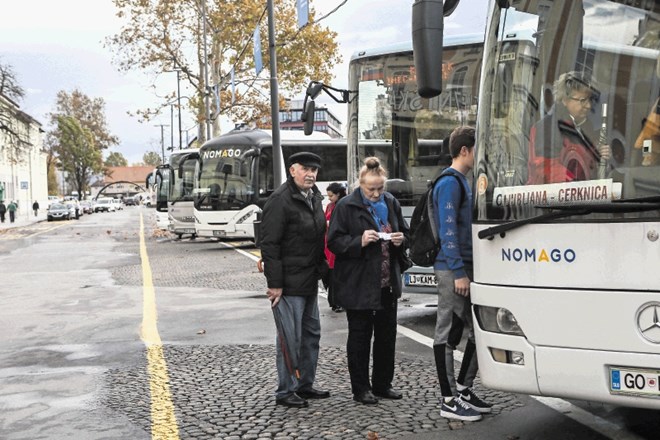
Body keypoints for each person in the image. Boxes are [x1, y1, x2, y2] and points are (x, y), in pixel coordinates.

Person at [327, 157, 410, 405]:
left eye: (380, 189)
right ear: (360, 185)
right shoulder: (346, 206)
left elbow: (406, 231)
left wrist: (400, 239)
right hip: (358, 283)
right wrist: (359, 241)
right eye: (370, 189)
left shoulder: (391, 202)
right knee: (360, 338)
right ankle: (361, 389)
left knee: (387, 336)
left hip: (387, 282)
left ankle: (383, 384)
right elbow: (333, 242)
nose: (375, 194)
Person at [259, 151, 330, 408]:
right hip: (288, 284)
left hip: (309, 280)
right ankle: (285, 391)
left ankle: (305, 385)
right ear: (292, 170)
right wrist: (275, 284)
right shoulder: (280, 200)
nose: (311, 174)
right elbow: (270, 244)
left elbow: (315, 239)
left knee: (311, 335)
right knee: (290, 339)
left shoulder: (314, 197)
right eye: (306, 169)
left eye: (314, 170)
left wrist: (325, 272)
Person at [432, 126, 492, 422]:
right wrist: (458, 272)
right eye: (477, 148)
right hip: (451, 268)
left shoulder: (464, 182)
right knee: (448, 332)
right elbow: (447, 230)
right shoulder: (450, 183)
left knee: (476, 330)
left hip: (465, 266)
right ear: (465, 150)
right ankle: (448, 400)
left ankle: (464, 389)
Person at [527, 71, 611, 184]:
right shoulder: (547, 127)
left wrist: (599, 156)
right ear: (565, 100)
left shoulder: (585, 128)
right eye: (582, 100)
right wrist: (577, 184)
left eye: (589, 100)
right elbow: (547, 168)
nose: (588, 106)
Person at [324, 182, 347, 313]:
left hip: (337, 245)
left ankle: (338, 301)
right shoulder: (329, 206)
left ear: (338, 194)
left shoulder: (343, 206)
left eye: (331, 196)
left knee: (337, 275)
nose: (329, 198)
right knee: (330, 275)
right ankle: (334, 301)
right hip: (328, 245)